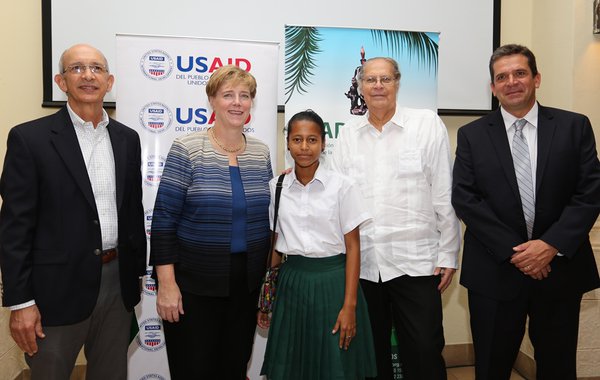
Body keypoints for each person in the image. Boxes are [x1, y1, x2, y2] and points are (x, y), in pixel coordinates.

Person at [451, 44, 600, 380]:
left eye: (520, 73)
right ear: (492, 88)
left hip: (559, 268)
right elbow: (466, 198)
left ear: (536, 78)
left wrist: (549, 246)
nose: (511, 81)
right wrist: (518, 252)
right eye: (501, 77)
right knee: (491, 366)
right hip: (495, 270)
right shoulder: (472, 135)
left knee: (559, 365)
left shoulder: (573, 127)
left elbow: (589, 192)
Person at [0, 44, 146, 380]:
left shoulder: (127, 139)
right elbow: (15, 228)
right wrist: (21, 303)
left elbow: (132, 210)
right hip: (54, 289)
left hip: (116, 283)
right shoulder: (30, 139)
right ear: (61, 81)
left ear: (109, 81)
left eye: (96, 68)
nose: (88, 75)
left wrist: (134, 276)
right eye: (76, 68)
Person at [329, 57, 461, 380]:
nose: (377, 86)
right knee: (371, 360)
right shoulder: (348, 136)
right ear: (360, 87)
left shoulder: (426, 125)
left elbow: (444, 192)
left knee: (424, 353)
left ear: (397, 83)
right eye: (370, 80)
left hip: (415, 263)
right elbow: (336, 199)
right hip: (365, 266)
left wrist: (448, 253)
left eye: (385, 79)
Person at [149, 65, 273, 379]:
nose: (237, 102)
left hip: (245, 286)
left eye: (245, 96)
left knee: (233, 367)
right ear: (212, 100)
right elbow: (164, 219)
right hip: (193, 287)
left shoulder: (260, 152)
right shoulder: (188, 148)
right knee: (194, 368)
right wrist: (166, 285)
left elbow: (269, 217)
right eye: (228, 94)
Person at [258, 110, 376, 379]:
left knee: (334, 366)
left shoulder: (342, 186)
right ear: (287, 143)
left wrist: (350, 306)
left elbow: (354, 247)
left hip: (334, 284)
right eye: (297, 139)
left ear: (323, 143)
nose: (304, 147)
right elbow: (276, 243)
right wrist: (265, 300)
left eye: (312, 140)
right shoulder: (276, 187)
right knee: (292, 366)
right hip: (292, 285)